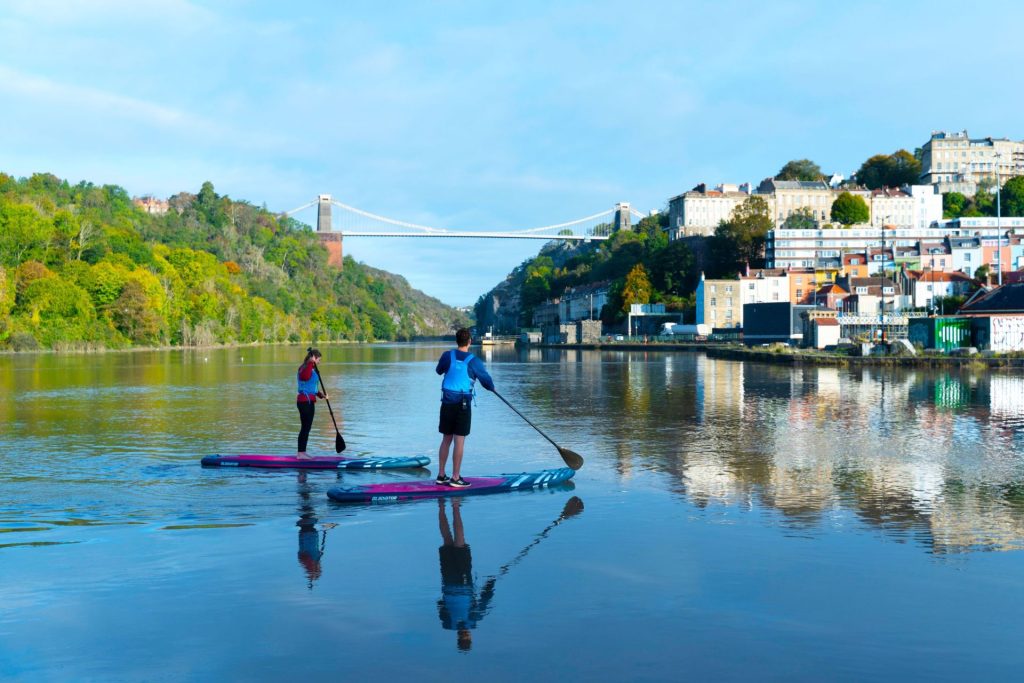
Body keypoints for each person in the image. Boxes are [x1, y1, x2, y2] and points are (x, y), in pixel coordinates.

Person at [435, 328, 494, 487]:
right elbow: (486, 382)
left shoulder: (447, 356)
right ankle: (455, 477)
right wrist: (492, 388)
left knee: (446, 439)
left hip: (447, 403)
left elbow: (439, 370)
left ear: (456, 341)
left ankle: (441, 475)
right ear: (470, 342)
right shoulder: (474, 361)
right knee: (459, 441)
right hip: (462, 405)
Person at [436, 498, 495, 651]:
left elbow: (485, 598)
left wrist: (491, 583)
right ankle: (441, 506)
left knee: (460, 541)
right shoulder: (447, 624)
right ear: (457, 638)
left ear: (468, 637)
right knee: (447, 540)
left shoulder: (473, 620)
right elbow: (440, 605)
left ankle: (455, 505)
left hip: (463, 581)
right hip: (448, 580)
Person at [296, 347, 327, 459]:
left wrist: (320, 395)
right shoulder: (304, 368)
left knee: (306, 428)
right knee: (305, 428)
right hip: (304, 402)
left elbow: (312, 388)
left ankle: (302, 452)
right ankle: (300, 454)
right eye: (318, 359)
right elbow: (305, 377)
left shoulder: (311, 369)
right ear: (314, 358)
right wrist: (311, 362)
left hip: (309, 401)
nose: (319, 362)